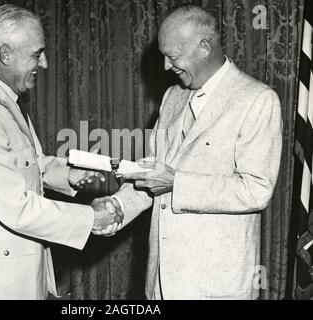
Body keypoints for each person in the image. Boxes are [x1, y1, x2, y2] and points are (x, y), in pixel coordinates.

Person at [98, 5, 283, 299]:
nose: (166, 67)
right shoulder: (173, 97)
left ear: (204, 48)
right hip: (160, 281)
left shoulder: (257, 99)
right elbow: (153, 173)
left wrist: (177, 183)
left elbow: (256, 189)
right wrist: (116, 208)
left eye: (172, 56)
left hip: (216, 284)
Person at [0, 4, 122, 300]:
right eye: (37, 54)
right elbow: (17, 207)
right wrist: (91, 218)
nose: (45, 63)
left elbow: (30, 163)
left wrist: (68, 174)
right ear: (5, 55)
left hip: (18, 264)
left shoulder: (5, 100)